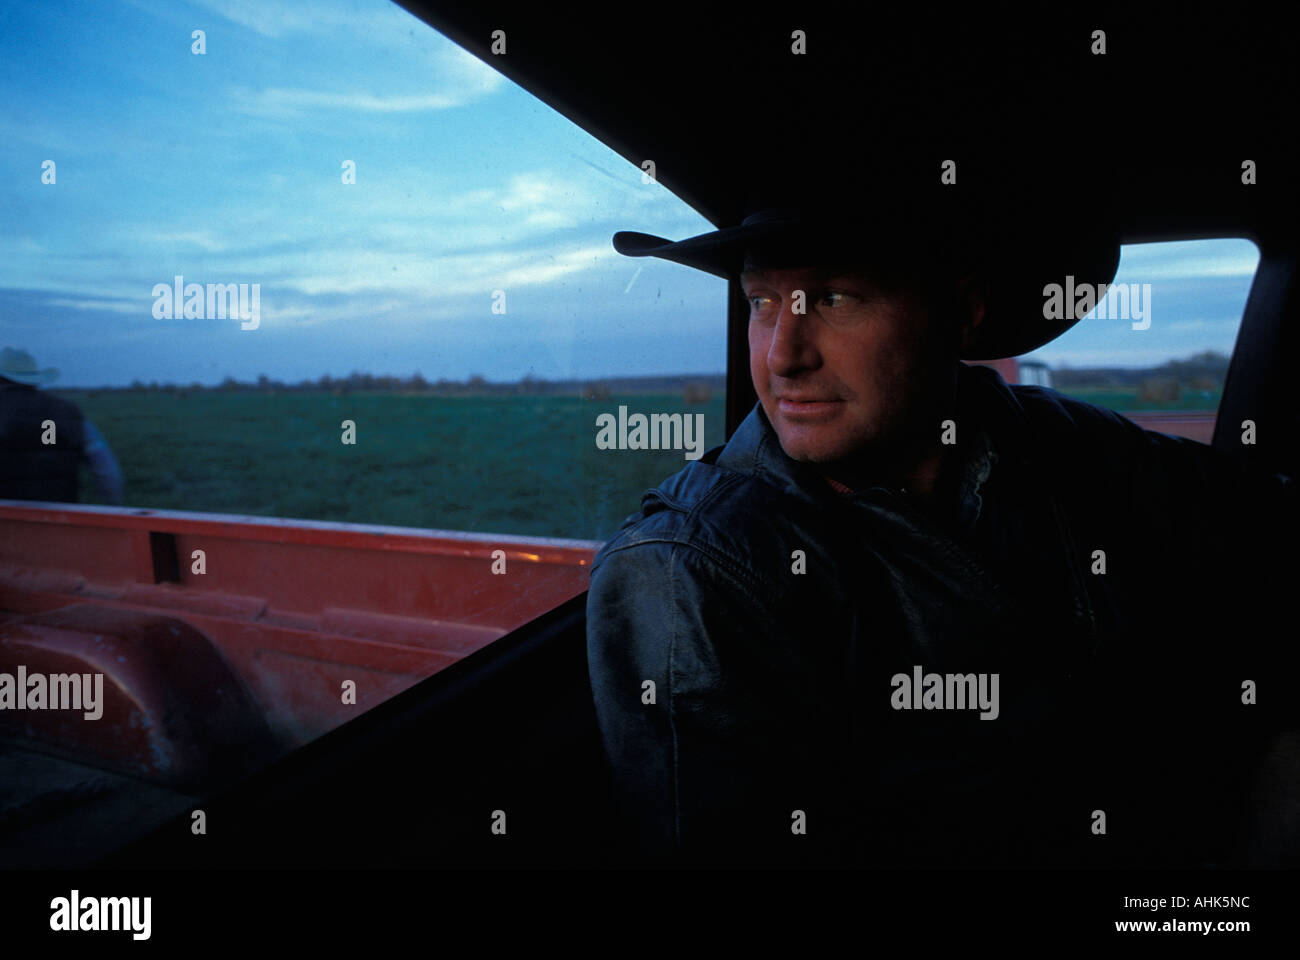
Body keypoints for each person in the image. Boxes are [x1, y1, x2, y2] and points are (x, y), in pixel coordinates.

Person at [585, 166, 1300, 868]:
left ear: (961, 312)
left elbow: (1262, 520)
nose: (782, 357)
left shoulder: (1052, 440)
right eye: (763, 304)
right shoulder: (695, 571)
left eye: (833, 298)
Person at [0, 347, 124, 506]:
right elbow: (106, 471)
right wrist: (113, 508)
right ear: (35, 379)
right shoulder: (68, 410)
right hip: (61, 517)